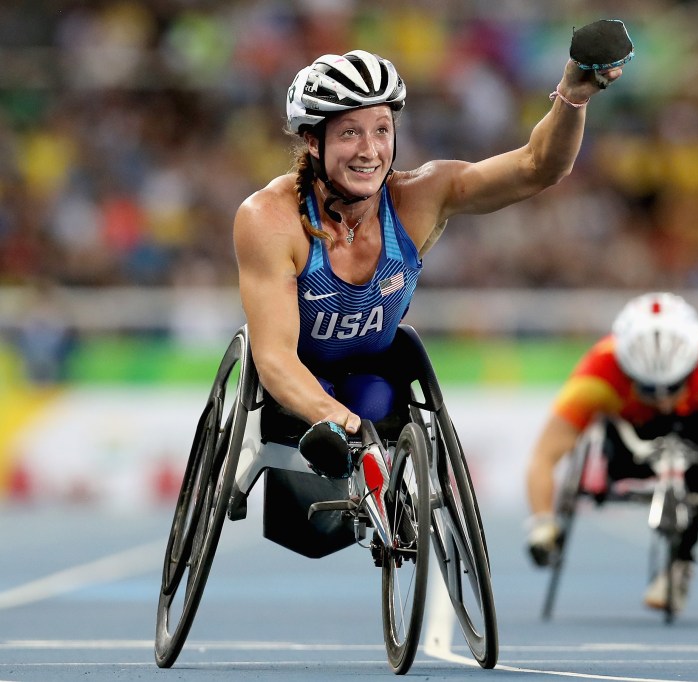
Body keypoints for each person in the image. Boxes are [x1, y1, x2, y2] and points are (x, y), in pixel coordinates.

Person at [232, 47, 626, 478]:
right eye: (349, 133)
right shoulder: (270, 218)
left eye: (381, 130)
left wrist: (572, 95)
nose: (369, 150)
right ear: (312, 141)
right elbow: (273, 358)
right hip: (299, 381)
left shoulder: (419, 198)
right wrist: (336, 418)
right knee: (343, 408)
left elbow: (538, 166)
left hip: (374, 375)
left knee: (374, 400)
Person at [524, 291, 698, 614]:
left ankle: (682, 562)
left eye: (673, 387)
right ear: (626, 370)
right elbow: (545, 455)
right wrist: (543, 525)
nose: (664, 403)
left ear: (692, 365)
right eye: (648, 390)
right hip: (630, 449)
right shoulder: (599, 368)